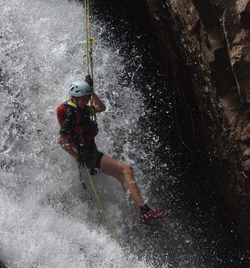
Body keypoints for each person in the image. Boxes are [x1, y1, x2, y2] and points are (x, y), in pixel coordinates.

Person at [56, 79, 167, 222]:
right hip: (88, 154)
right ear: (75, 98)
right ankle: (146, 211)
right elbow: (61, 140)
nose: (86, 102)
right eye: (83, 99)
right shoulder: (71, 114)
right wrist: (76, 156)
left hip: (90, 151)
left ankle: (141, 214)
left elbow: (101, 107)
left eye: (87, 99)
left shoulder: (80, 108)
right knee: (127, 170)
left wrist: (91, 91)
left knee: (123, 177)